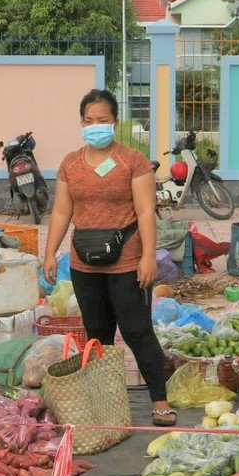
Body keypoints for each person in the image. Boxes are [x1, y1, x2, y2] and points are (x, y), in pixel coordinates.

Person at [44, 89, 175, 426]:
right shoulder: (70, 163)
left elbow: (146, 211)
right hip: (83, 263)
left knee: (137, 331)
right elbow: (61, 211)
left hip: (127, 263)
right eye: (88, 121)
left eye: (102, 120)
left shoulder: (132, 160)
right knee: (97, 334)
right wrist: (49, 253)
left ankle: (160, 402)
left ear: (115, 121)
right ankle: (107, 404)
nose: (95, 126)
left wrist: (148, 257)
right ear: (81, 123)